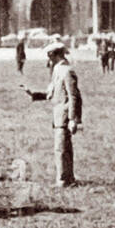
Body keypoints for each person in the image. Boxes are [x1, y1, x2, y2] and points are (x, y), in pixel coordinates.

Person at [25, 42, 82, 187]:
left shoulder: (66, 71)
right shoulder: (58, 69)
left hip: (63, 117)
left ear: (53, 55)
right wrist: (35, 94)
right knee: (63, 149)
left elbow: (73, 96)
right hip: (59, 117)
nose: (48, 59)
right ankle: (68, 178)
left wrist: (72, 119)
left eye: (49, 56)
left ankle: (63, 180)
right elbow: (54, 94)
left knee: (61, 149)